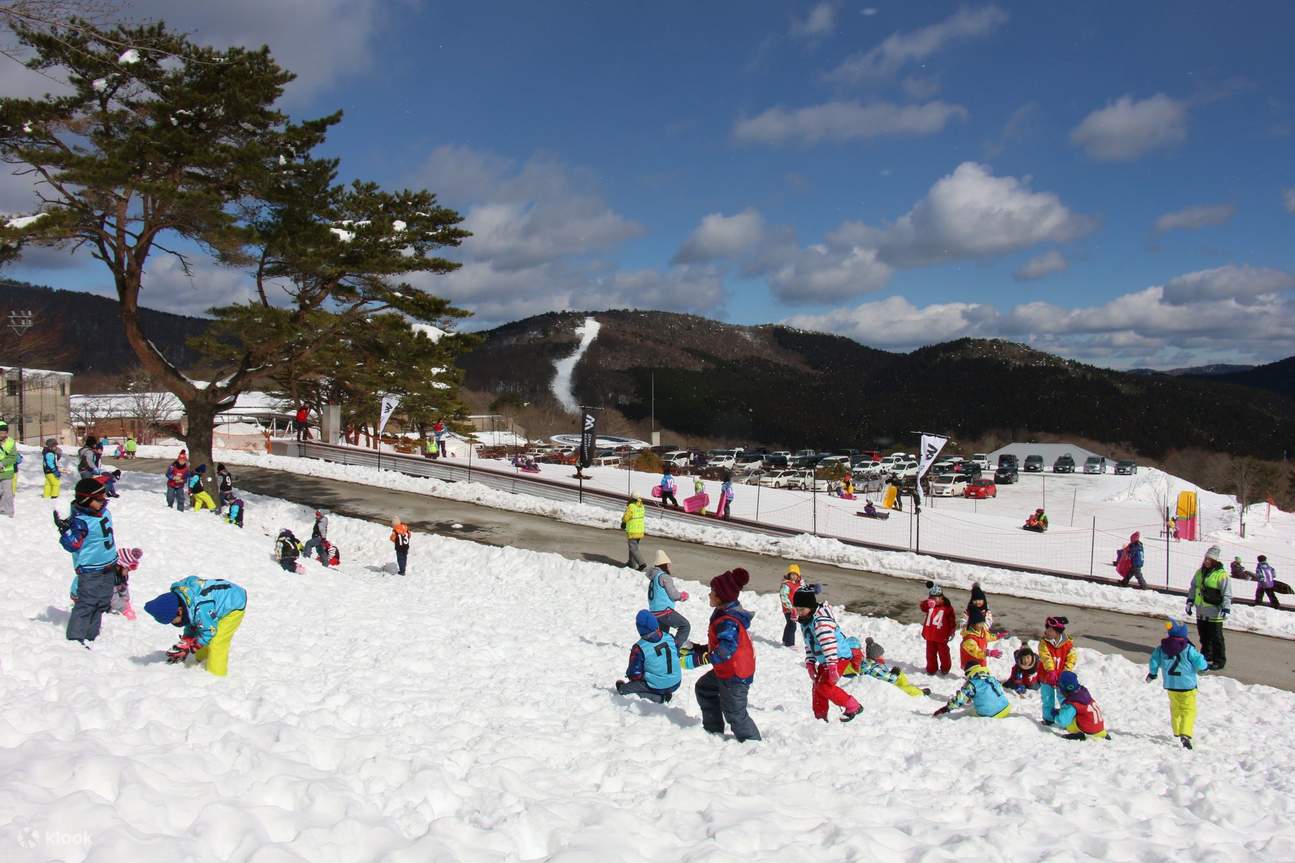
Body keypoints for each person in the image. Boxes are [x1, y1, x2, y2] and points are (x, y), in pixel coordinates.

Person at [684, 568, 761, 742]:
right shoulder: (723, 613)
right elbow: (719, 645)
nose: (709, 594)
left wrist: (697, 659)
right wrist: (698, 649)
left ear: (721, 597)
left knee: (735, 714)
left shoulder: (728, 621)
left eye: (713, 592)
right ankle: (713, 731)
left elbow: (725, 650)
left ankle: (754, 746)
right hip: (726, 669)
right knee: (704, 688)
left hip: (735, 673)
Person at [143, 576, 248, 677]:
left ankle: (216, 676)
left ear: (179, 611)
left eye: (172, 620)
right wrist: (187, 640)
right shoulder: (185, 601)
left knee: (217, 641)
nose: (173, 623)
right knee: (201, 631)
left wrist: (194, 646)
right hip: (214, 603)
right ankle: (201, 660)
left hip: (233, 604)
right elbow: (192, 622)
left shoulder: (201, 608)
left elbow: (209, 631)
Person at [57, 478, 119, 643]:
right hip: (91, 569)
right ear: (86, 500)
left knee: (103, 602)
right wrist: (65, 531)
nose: (103, 502)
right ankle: (76, 638)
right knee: (87, 603)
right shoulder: (80, 522)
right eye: (98, 499)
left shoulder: (103, 512)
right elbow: (72, 545)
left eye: (104, 498)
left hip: (109, 565)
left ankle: (92, 636)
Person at [793, 587, 863, 723]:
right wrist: (810, 662)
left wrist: (832, 667)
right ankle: (820, 717)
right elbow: (809, 644)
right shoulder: (805, 621)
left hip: (837, 657)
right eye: (798, 609)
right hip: (826, 659)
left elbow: (829, 645)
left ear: (811, 607)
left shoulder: (821, 622)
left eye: (802, 609)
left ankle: (853, 706)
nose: (800, 613)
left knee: (824, 686)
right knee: (817, 686)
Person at [1146, 619, 1210, 749]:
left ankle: (1176, 730)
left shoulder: (1161, 648)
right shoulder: (1188, 649)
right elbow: (1199, 660)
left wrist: (1153, 674)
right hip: (1187, 686)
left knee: (1175, 708)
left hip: (1171, 685)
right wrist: (1204, 668)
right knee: (1188, 710)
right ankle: (1185, 733)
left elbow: (1153, 661)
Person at [615, 609, 681, 704]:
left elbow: (635, 674)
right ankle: (665, 691)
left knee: (625, 690)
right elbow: (676, 654)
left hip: (658, 685)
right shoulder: (669, 637)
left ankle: (659, 698)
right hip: (676, 682)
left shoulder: (639, 648)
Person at [1186, 545, 1231, 670]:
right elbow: (1193, 587)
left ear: (1215, 561)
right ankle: (1206, 654)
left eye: (1209, 559)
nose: (1206, 561)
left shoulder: (1222, 575)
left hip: (1214, 611)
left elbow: (1226, 593)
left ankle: (1219, 660)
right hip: (1201, 610)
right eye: (1206, 558)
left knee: (1216, 637)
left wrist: (1226, 608)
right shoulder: (1199, 572)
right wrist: (1190, 601)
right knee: (1204, 635)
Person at [71, 546, 142, 621]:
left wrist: (126, 602)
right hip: (82, 595)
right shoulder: (109, 577)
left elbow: (123, 588)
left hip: (102, 595)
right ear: (120, 565)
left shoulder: (121, 574)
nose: (129, 571)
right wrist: (124, 609)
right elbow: (112, 598)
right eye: (127, 569)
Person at [844, 637, 929, 697]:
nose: (883, 657)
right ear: (876, 657)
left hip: (883, 680)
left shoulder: (870, 663)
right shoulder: (873, 667)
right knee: (904, 689)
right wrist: (894, 675)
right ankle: (920, 693)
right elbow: (887, 678)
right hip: (885, 686)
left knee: (901, 675)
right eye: (881, 655)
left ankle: (908, 685)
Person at [932, 661, 1011, 719]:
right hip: (1006, 707)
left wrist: (945, 709)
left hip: (991, 714)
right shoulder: (991, 678)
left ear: (969, 673)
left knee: (969, 712)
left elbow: (959, 700)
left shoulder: (972, 684)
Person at [645, 549, 690, 646]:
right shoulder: (664, 577)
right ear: (664, 565)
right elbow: (673, 594)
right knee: (685, 626)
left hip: (655, 612)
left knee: (663, 634)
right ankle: (675, 649)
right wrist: (682, 596)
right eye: (669, 565)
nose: (670, 567)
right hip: (664, 611)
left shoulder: (654, 577)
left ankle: (660, 650)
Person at [1038, 616, 1076, 727]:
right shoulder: (1043, 643)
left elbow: (1072, 657)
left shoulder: (1068, 643)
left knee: (1064, 699)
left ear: (1058, 632)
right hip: (1046, 676)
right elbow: (1045, 657)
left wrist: (1066, 671)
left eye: (1050, 630)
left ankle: (1065, 720)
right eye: (1047, 629)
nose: (1047, 632)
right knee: (1047, 698)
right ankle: (1048, 718)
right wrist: (1050, 670)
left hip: (1062, 678)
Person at [1054, 671, 1108, 740]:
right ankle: (1101, 734)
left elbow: (1063, 721)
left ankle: (1079, 734)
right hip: (1100, 728)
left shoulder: (1073, 703)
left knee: (1069, 719)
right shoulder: (1083, 693)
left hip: (1089, 731)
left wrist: (1055, 716)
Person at [920, 581, 957, 674]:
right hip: (930, 635)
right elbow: (922, 606)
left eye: (935, 598)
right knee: (930, 654)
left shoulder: (947, 608)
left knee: (944, 654)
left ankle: (945, 668)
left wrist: (952, 631)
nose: (933, 600)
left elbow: (952, 620)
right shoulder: (929, 606)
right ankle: (931, 669)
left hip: (941, 636)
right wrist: (927, 603)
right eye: (930, 598)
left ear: (941, 598)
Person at [958, 603, 1002, 670]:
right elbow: (976, 652)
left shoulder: (981, 631)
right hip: (971, 665)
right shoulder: (969, 638)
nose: (981, 625)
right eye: (979, 623)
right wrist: (988, 653)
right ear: (972, 624)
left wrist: (997, 636)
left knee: (982, 674)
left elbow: (988, 636)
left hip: (980, 661)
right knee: (975, 677)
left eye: (982, 623)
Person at [779, 563, 803, 647]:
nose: (794, 576)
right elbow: (783, 595)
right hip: (788, 609)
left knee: (789, 623)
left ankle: (785, 640)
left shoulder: (798, 584)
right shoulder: (787, 585)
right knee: (792, 625)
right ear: (789, 575)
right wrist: (789, 606)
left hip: (795, 609)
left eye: (795, 575)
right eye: (792, 574)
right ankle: (790, 644)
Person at [621, 494, 646, 570]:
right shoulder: (641, 506)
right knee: (634, 547)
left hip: (633, 530)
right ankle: (631, 563)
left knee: (633, 548)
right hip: (640, 530)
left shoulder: (631, 506)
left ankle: (642, 564)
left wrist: (623, 522)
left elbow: (626, 517)